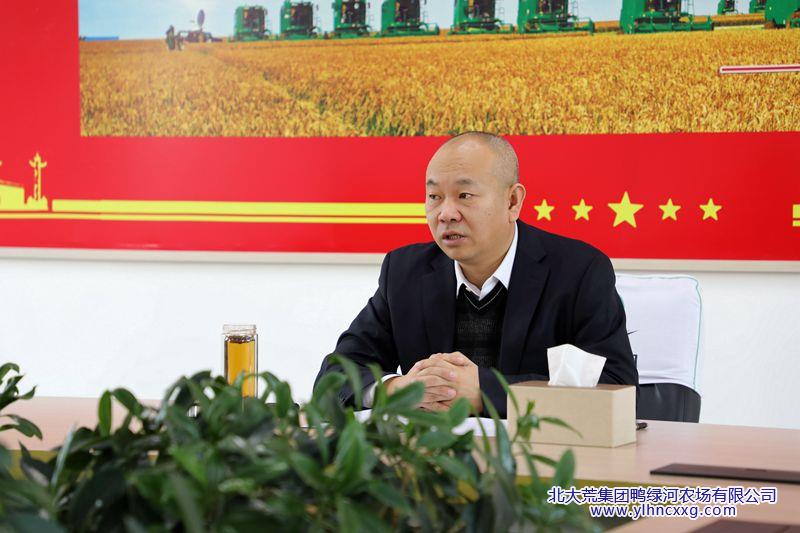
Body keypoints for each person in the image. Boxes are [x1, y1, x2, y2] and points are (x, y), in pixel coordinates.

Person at [315, 132, 638, 417]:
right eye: (434, 197)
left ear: (512, 202)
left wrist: (485, 392)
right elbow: (334, 376)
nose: (445, 214)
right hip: (431, 458)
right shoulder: (404, 272)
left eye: (464, 196)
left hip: (538, 458)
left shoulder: (579, 271)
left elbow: (616, 388)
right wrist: (399, 389)